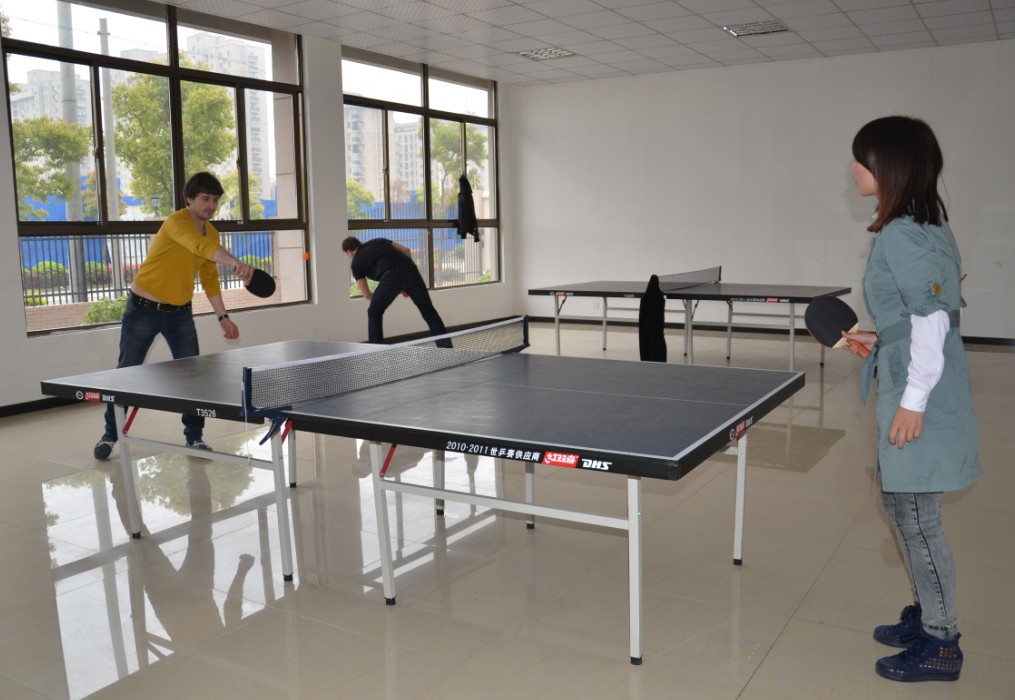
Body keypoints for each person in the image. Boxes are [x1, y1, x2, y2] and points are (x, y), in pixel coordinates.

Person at [843, 116, 980, 682]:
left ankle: (941, 640)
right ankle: (927, 613)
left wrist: (913, 401)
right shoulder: (922, 221)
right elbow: (917, 316)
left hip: (921, 388)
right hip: (913, 373)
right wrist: (880, 336)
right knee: (901, 506)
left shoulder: (904, 231)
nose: (853, 169)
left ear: (888, 166)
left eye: (861, 159)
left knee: (918, 518)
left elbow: (932, 319)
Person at [93, 172, 254, 460]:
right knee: (125, 373)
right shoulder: (176, 223)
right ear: (189, 199)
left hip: (180, 314)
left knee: (193, 377)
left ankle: (194, 438)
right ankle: (110, 434)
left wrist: (223, 317)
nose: (211, 205)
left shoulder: (212, 233)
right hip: (143, 309)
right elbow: (199, 246)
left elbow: (209, 277)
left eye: (215, 200)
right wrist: (234, 261)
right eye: (205, 199)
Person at [341, 236, 448, 344]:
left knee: (374, 312)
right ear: (358, 243)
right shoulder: (379, 240)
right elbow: (406, 250)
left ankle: (376, 349)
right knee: (428, 309)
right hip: (411, 270)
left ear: (349, 252)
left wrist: (382, 296)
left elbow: (366, 294)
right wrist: (405, 282)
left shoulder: (356, 263)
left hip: (390, 278)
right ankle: (445, 346)